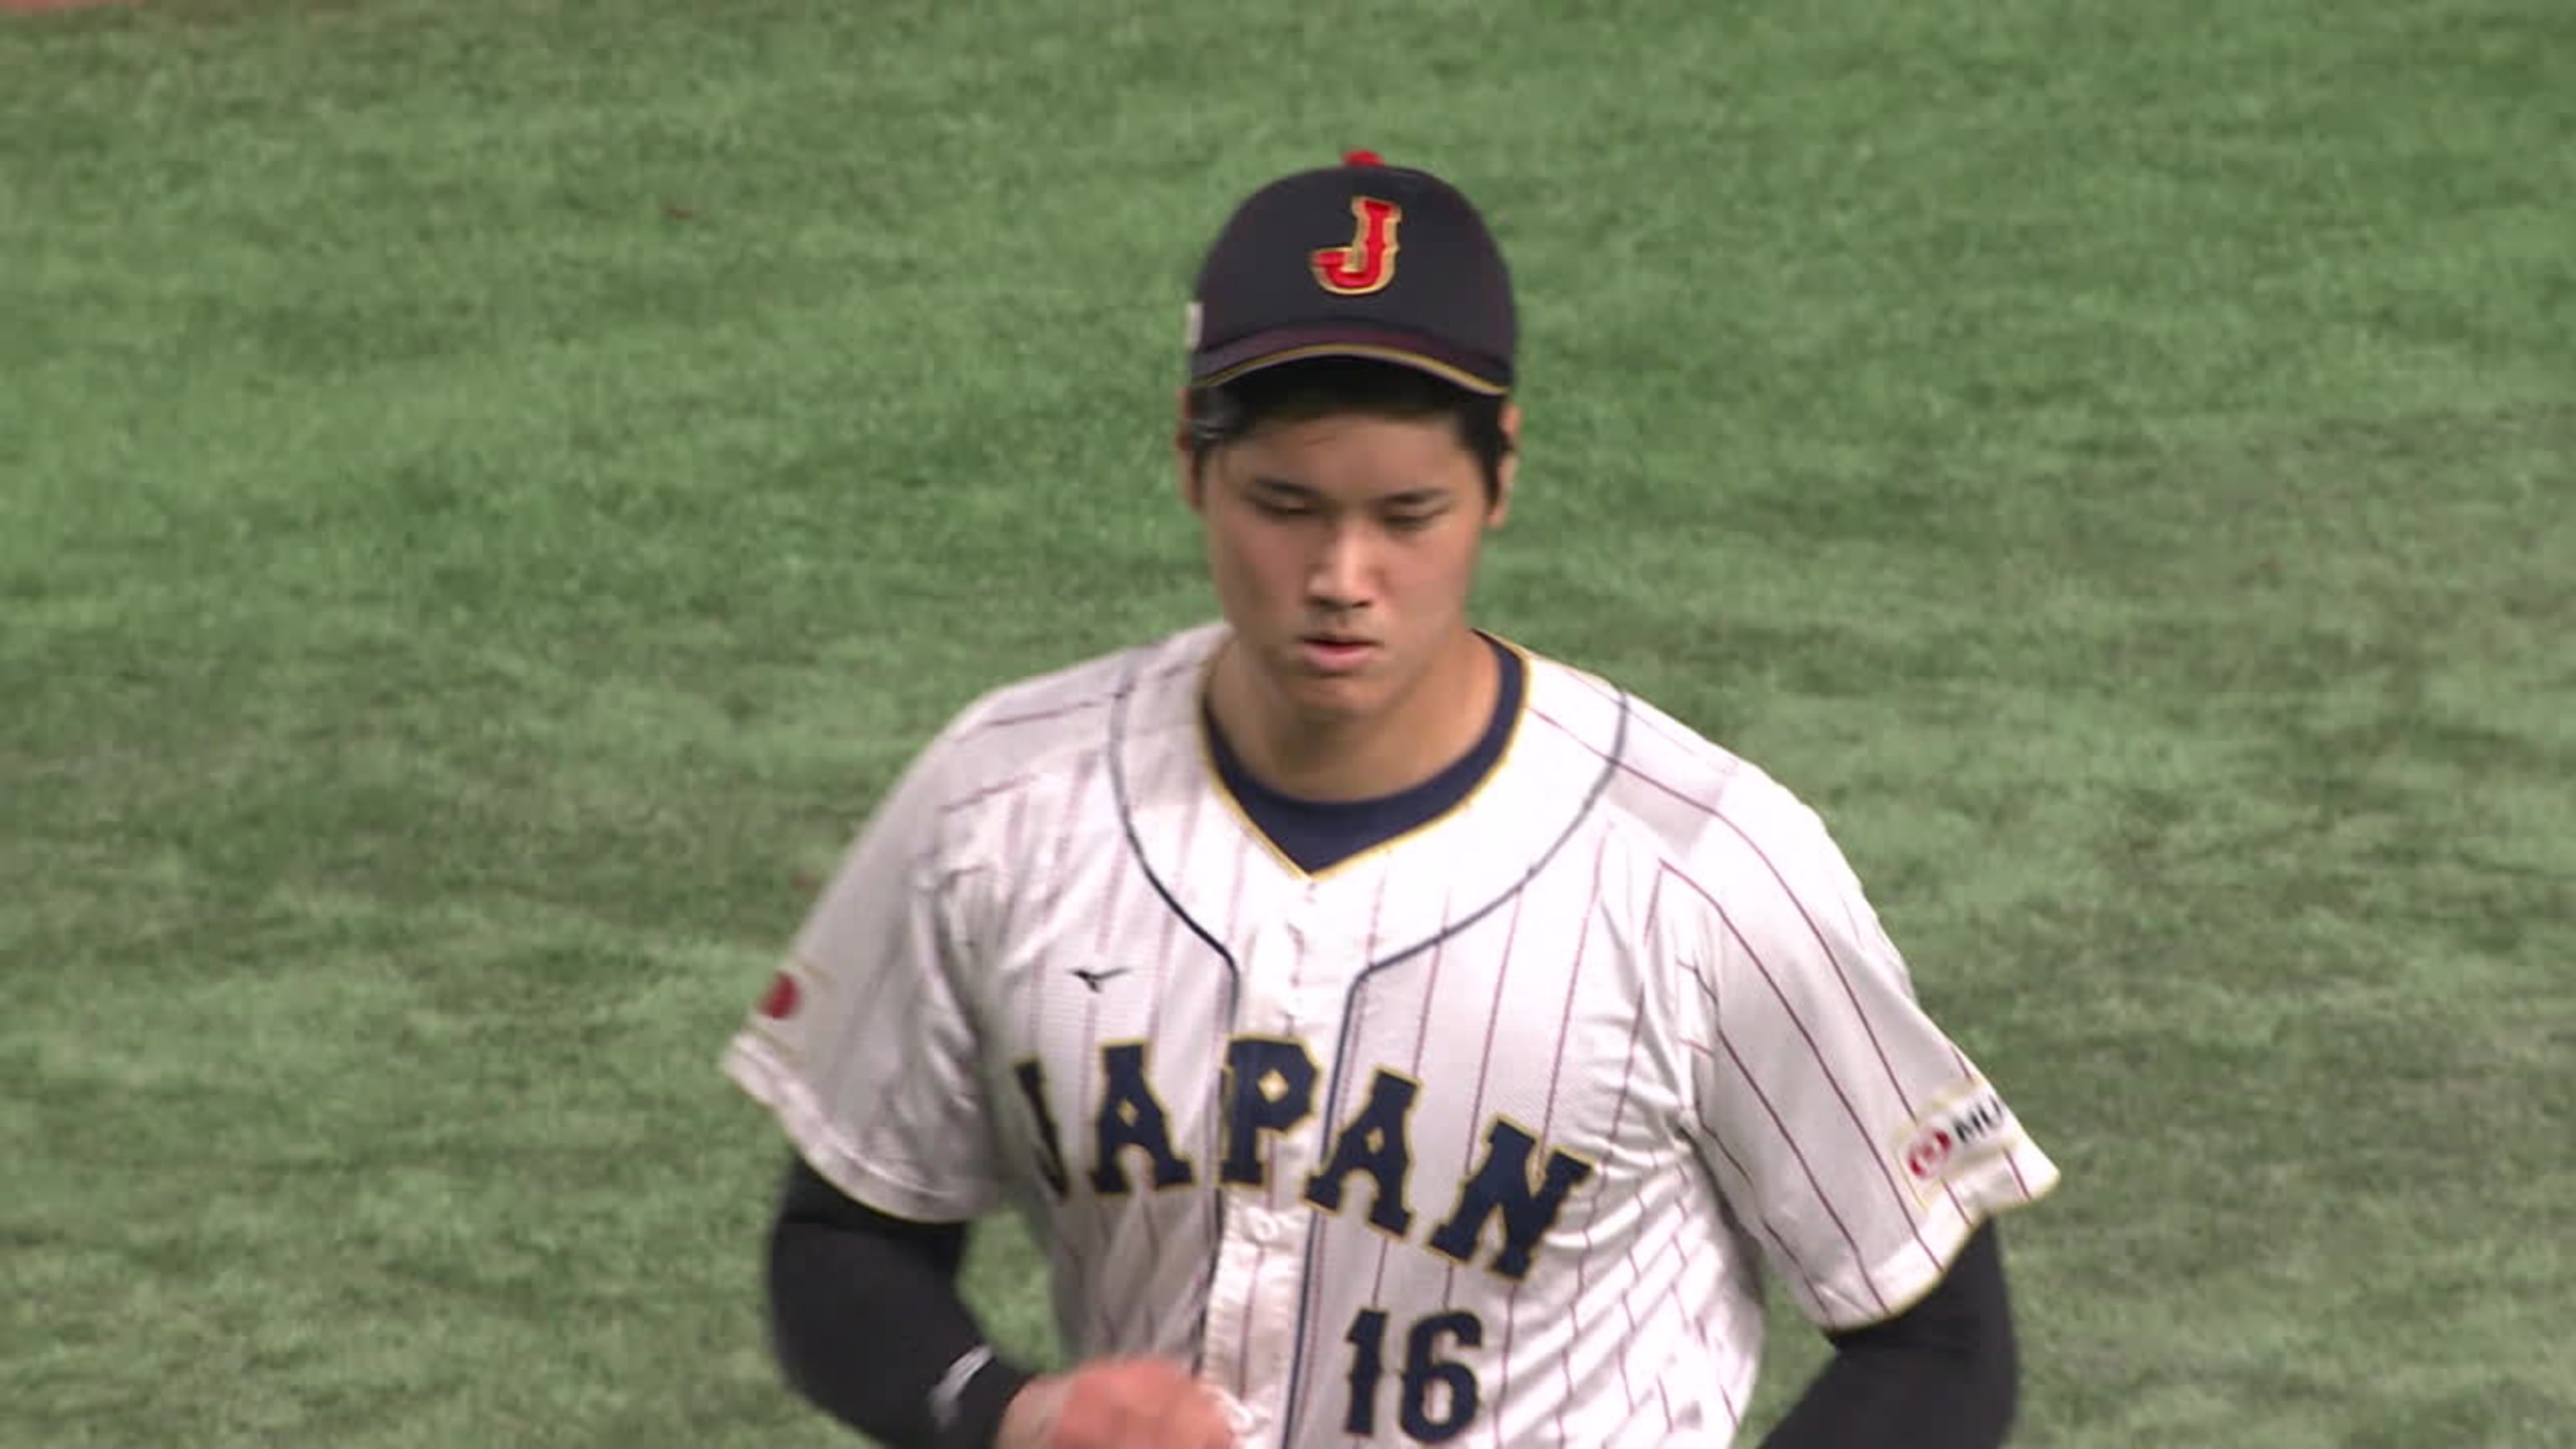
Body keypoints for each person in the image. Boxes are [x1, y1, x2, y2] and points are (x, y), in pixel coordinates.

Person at [720, 148, 2060, 1449]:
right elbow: (844, 1240)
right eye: (1284, 505)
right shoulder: (1001, 808)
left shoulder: (1700, 869)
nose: (1342, 574)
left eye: (1408, 515)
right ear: (1192, 462)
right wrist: (1011, 1413)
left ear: (1502, 478)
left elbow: (1938, 1344)